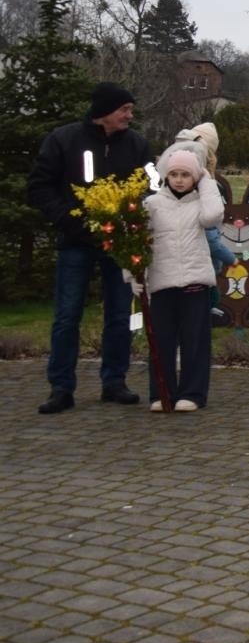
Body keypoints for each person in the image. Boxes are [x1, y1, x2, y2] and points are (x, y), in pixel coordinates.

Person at [29, 82, 151, 413]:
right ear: (104, 112)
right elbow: (39, 186)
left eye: (130, 109)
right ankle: (61, 387)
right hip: (75, 241)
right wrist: (68, 218)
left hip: (119, 243)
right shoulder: (63, 140)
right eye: (124, 109)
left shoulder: (137, 144)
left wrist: (132, 219)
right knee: (67, 315)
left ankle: (114, 381)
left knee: (120, 315)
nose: (130, 115)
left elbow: (151, 186)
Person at [142, 144, 226, 411]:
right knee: (161, 340)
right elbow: (138, 242)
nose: (179, 180)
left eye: (186, 175)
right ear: (166, 176)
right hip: (162, 282)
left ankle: (193, 392)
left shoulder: (201, 204)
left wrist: (207, 181)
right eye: (174, 174)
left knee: (195, 340)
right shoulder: (152, 204)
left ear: (195, 177)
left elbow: (213, 216)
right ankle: (162, 392)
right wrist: (135, 276)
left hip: (195, 281)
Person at [174, 122, 235, 322]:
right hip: (199, 267)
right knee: (203, 307)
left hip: (178, 267)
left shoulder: (176, 182)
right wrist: (230, 258)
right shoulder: (203, 187)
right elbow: (209, 235)